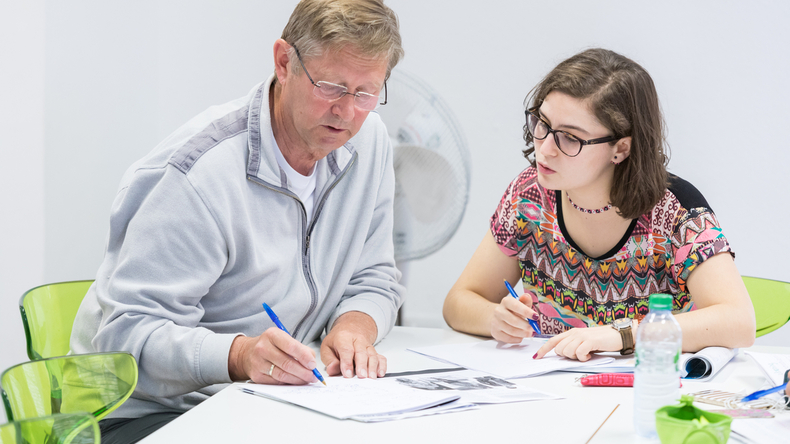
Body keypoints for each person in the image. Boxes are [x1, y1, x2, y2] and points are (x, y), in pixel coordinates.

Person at [70, 1, 405, 442]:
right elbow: (125, 338)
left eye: (365, 93)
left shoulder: (370, 144)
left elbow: (375, 277)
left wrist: (353, 327)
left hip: (267, 402)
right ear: (284, 62)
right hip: (141, 414)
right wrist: (240, 355)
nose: (347, 112)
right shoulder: (200, 174)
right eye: (331, 87)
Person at [443, 48, 755, 362]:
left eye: (570, 138)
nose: (546, 149)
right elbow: (459, 302)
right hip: (551, 391)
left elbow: (739, 322)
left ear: (620, 148)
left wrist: (620, 335)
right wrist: (495, 318)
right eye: (543, 123)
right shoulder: (529, 196)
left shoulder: (676, 213)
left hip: (651, 391)